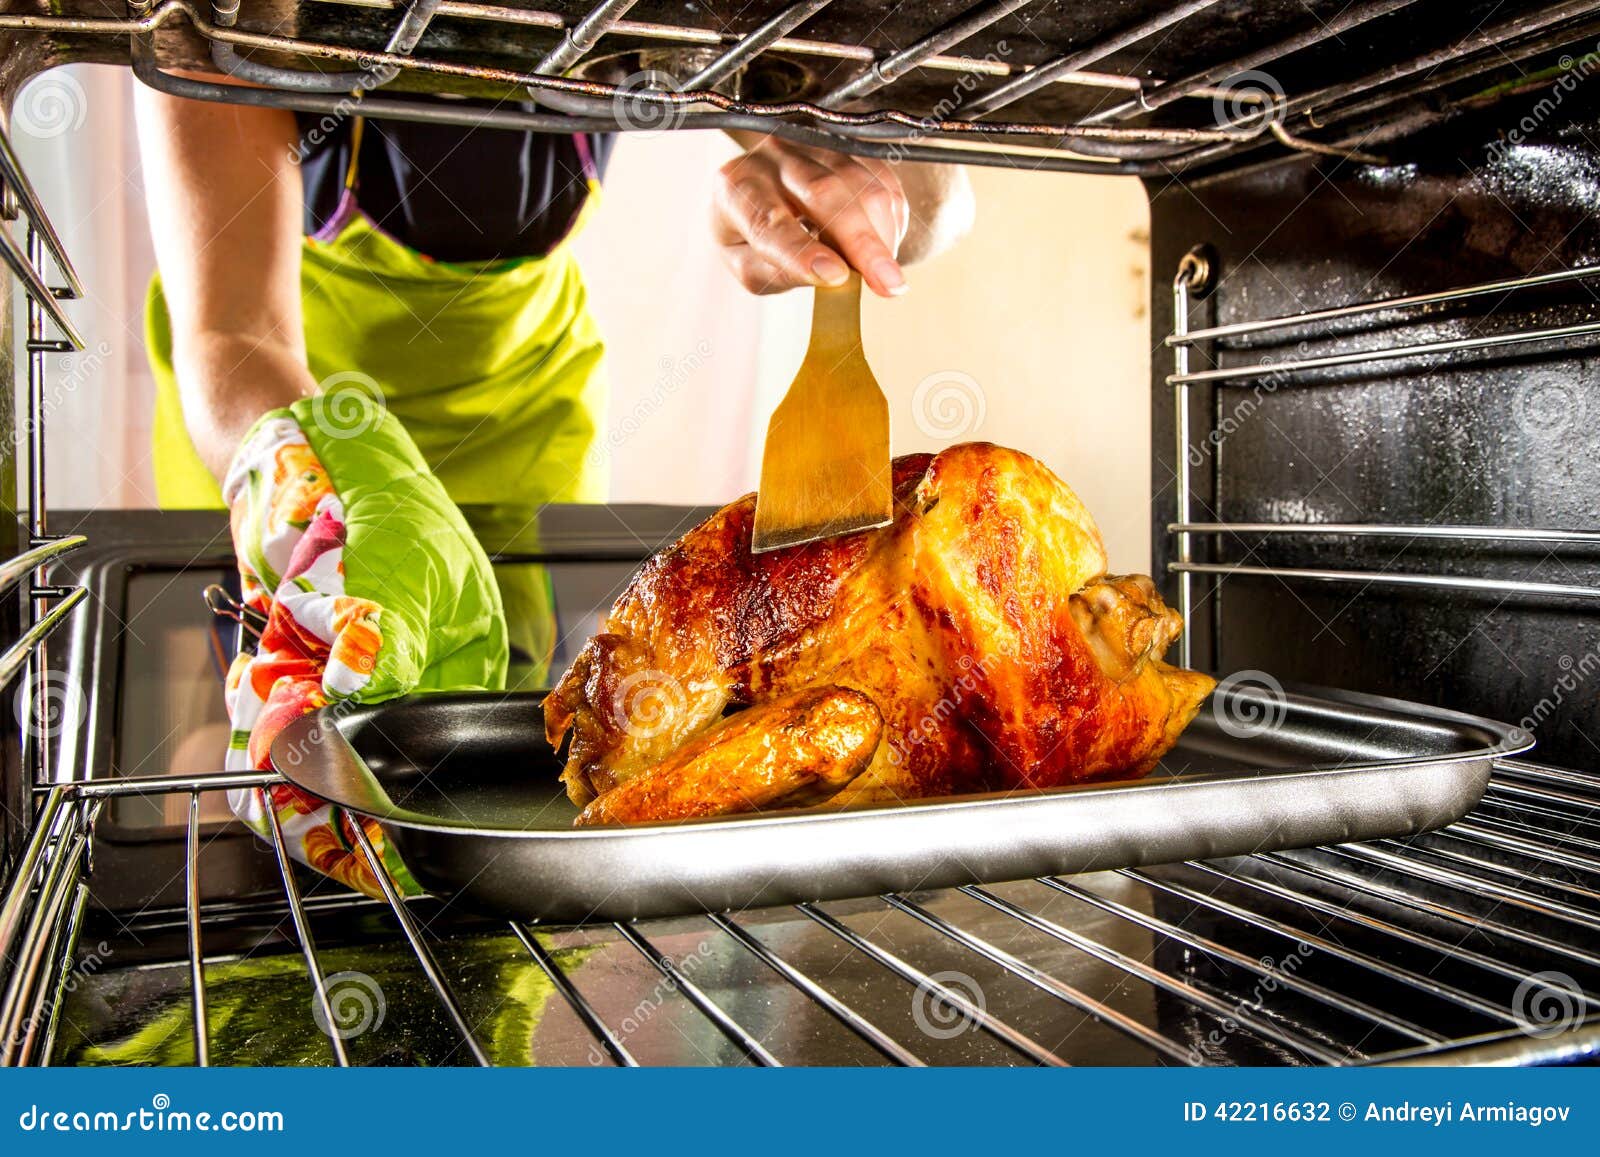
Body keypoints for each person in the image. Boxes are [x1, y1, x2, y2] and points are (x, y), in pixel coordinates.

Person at [133, 87, 974, 893]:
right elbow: (231, 327)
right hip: (293, 421)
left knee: (520, 766)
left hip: (523, 416)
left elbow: (947, 196)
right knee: (294, 764)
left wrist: (857, 178)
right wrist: (312, 490)